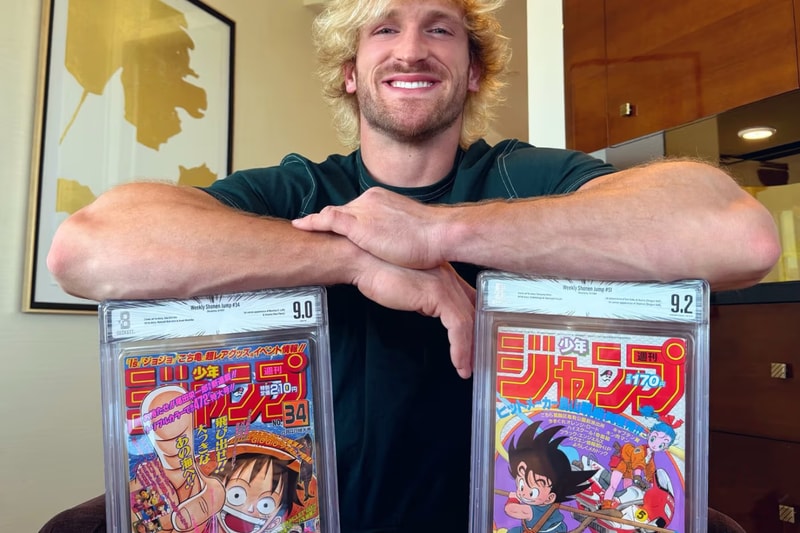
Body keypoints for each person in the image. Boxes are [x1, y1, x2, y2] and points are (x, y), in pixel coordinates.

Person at [43, 0, 779, 531]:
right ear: (351, 73)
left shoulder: (528, 178)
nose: (412, 48)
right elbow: (88, 250)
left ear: (474, 70)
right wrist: (353, 260)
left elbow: (738, 238)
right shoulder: (299, 192)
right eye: (385, 27)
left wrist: (437, 232)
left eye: (440, 27)